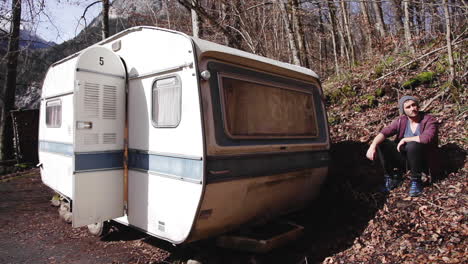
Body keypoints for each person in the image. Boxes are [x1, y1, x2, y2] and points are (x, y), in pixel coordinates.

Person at [366, 96, 439, 197]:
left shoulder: (428, 120)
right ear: (403, 110)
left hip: (423, 160)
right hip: (405, 159)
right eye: (408, 107)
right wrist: (372, 146)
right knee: (382, 143)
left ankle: (416, 181)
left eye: (414, 105)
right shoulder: (402, 121)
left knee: (413, 145)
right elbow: (385, 132)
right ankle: (391, 177)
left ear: (418, 106)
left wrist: (406, 139)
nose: (412, 108)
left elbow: (427, 138)